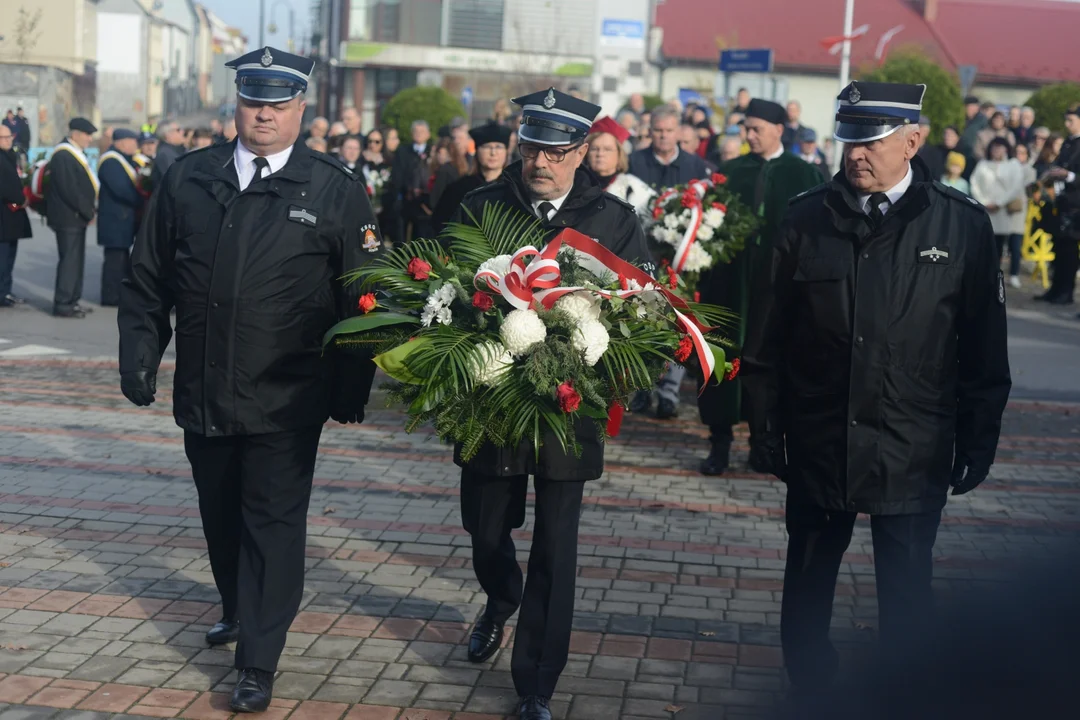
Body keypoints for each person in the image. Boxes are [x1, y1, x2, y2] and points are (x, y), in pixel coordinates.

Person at [117, 46, 383, 713]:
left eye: (278, 102)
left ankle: (258, 661)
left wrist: (352, 384)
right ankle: (239, 608)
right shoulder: (189, 178)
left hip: (288, 395)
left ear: (301, 108)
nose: (263, 113)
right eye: (253, 100)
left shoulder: (335, 188)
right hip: (204, 387)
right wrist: (140, 350)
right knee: (220, 513)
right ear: (236, 103)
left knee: (273, 522)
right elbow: (148, 275)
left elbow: (364, 297)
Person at [742, 81, 1010, 709]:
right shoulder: (807, 218)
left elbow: (984, 350)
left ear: (913, 141)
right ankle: (809, 688)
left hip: (913, 440)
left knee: (908, 586)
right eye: (849, 140)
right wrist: (764, 427)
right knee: (807, 578)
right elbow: (767, 341)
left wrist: (980, 436)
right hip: (820, 432)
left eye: (873, 141)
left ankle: (903, 695)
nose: (857, 154)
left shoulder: (961, 223)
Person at [451, 87, 652, 720]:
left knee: (556, 543)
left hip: (571, 402)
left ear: (583, 152)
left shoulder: (612, 218)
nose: (542, 161)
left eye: (559, 150)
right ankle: (500, 594)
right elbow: (446, 290)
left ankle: (537, 681)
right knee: (486, 527)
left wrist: (590, 347)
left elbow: (641, 311)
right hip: (493, 397)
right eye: (534, 146)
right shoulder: (482, 205)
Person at [697, 99, 822, 475]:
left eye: (756, 129)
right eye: (745, 129)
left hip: (778, 288)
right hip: (730, 286)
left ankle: (761, 443)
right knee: (723, 362)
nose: (748, 136)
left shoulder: (803, 174)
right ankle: (719, 442)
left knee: (769, 363)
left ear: (779, 129)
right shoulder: (732, 170)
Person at [46, 117, 99, 318]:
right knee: (69, 261)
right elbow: (70, 189)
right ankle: (63, 303)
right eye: (87, 135)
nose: (89, 139)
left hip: (76, 217)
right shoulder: (64, 155)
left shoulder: (74, 153)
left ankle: (73, 300)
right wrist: (87, 210)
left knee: (76, 261)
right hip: (68, 217)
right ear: (75, 133)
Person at [431, 121, 511, 234]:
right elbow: (440, 223)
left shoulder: (514, 188)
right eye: (487, 146)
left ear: (506, 152)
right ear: (477, 150)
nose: (493, 153)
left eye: (498, 147)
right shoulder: (458, 188)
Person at [1036, 105, 1080, 306]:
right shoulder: (1068, 144)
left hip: (1075, 204)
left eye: (1071, 121)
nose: (1067, 124)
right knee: (1059, 248)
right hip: (1061, 201)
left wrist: (1068, 175)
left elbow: (1073, 174)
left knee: (1070, 251)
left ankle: (1067, 291)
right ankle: (1055, 289)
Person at [96, 129, 144, 306]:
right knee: (114, 262)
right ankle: (110, 296)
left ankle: (118, 294)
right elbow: (122, 190)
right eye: (133, 141)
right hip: (114, 221)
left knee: (121, 259)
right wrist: (142, 200)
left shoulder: (123, 160)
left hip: (121, 220)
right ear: (122, 142)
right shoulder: (111, 162)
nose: (136, 146)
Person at [971, 137, 1026, 289]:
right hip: (985, 208)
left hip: (1003, 211)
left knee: (1002, 245)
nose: (997, 151)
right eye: (995, 147)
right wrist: (983, 201)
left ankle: (1000, 275)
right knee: (985, 244)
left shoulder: (1013, 165)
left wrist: (999, 203)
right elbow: (974, 183)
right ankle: (984, 274)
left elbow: (1015, 187)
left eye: (1000, 147)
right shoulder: (983, 164)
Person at [627, 105, 708, 188]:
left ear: (678, 132)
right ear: (649, 132)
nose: (664, 135)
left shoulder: (696, 166)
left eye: (669, 130)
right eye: (658, 130)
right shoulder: (632, 163)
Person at [0, 122, 31, 307]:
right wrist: (20, 198)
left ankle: (6, 290)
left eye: (10, 136)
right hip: (3, 214)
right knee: (2, 258)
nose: (8, 140)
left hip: (12, 215)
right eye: (4, 137)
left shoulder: (11, 156)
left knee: (10, 257)